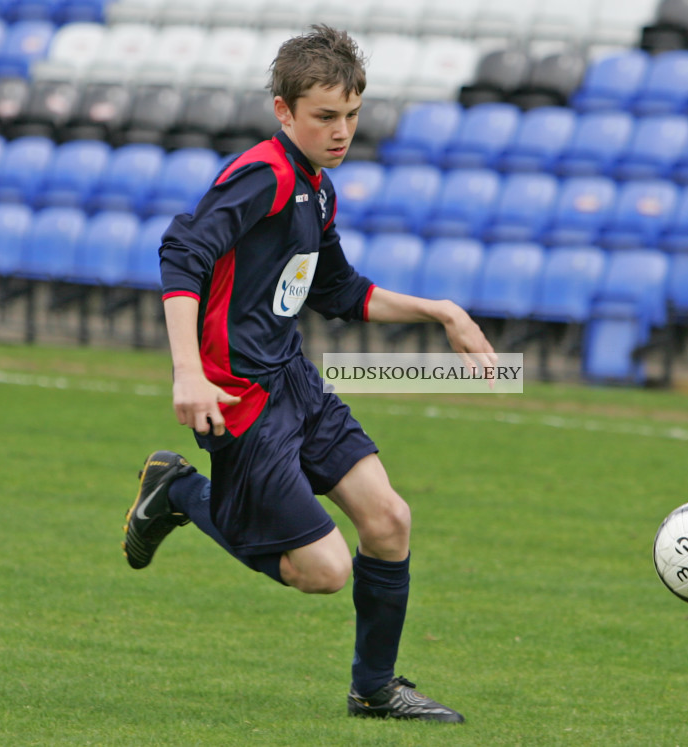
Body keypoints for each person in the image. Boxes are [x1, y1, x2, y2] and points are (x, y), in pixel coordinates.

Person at [121, 25, 495, 723]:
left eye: (352, 115)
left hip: (294, 379)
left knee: (389, 519)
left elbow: (339, 291)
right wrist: (186, 372)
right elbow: (182, 253)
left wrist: (440, 311)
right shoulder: (262, 175)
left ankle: (374, 689)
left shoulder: (315, 190)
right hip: (242, 398)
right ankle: (180, 492)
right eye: (325, 116)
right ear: (284, 111)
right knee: (324, 571)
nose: (342, 130)